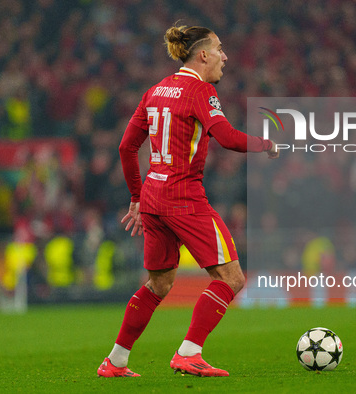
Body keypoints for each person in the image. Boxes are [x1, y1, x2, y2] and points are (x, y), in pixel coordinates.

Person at [97, 24, 278, 378]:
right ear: (203, 55)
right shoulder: (201, 91)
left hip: (152, 197)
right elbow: (225, 137)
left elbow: (126, 147)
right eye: (220, 49)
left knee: (159, 284)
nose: (225, 57)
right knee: (232, 277)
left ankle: (115, 361)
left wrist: (136, 196)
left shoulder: (156, 90)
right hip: (184, 197)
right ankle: (189, 353)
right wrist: (265, 143)